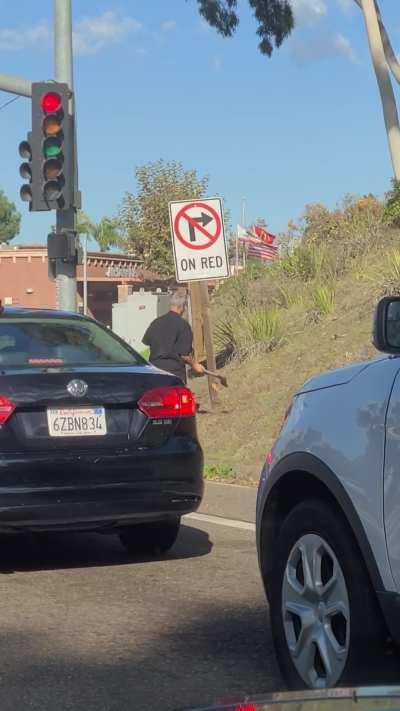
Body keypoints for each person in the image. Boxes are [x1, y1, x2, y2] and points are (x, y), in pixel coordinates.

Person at [142, 291, 204, 383]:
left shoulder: (156, 323)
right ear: (182, 307)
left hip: (154, 372)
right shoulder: (183, 325)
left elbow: (146, 342)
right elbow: (184, 355)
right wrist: (195, 365)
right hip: (174, 374)